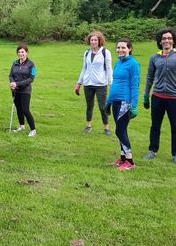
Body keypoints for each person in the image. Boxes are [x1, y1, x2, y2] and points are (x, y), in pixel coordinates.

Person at [105, 38, 140, 171]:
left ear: (129, 49)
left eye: (123, 48)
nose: (120, 50)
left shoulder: (133, 64)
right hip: (115, 102)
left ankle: (130, 162)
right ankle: (123, 158)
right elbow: (114, 84)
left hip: (125, 102)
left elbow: (134, 86)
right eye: (118, 48)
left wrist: (134, 105)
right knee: (121, 130)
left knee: (120, 130)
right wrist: (108, 102)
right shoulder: (118, 63)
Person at [143, 28, 176, 164]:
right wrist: (146, 95)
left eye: (169, 38)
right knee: (155, 125)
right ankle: (152, 150)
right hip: (157, 97)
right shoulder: (154, 58)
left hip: (174, 98)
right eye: (163, 38)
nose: (166, 40)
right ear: (160, 41)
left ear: (173, 41)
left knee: (175, 127)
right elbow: (150, 77)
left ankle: (175, 154)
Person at [75, 31, 113, 135]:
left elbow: (109, 69)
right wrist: (79, 83)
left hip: (101, 84)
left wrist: (111, 84)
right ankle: (88, 126)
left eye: (95, 40)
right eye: (91, 40)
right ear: (89, 41)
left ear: (99, 41)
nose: (93, 42)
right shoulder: (87, 53)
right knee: (89, 106)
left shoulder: (105, 52)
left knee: (102, 107)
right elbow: (84, 68)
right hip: (88, 84)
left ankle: (106, 128)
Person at [9, 44, 37, 137]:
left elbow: (31, 78)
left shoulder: (31, 64)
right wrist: (12, 82)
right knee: (19, 109)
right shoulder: (14, 63)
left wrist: (18, 84)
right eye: (19, 52)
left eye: (22, 52)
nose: (21, 54)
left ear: (26, 52)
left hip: (25, 90)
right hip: (15, 90)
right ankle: (21, 126)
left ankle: (33, 130)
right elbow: (11, 75)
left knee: (25, 109)